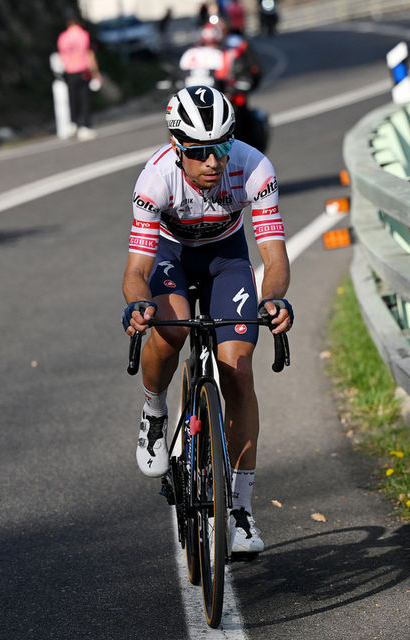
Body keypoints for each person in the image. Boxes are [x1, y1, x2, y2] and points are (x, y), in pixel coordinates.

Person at [122, 85, 293, 555]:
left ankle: (239, 510)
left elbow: (274, 259)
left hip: (226, 258)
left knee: (237, 367)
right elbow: (136, 271)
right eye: (199, 152)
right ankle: (155, 412)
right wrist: (140, 306)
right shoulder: (154, 180)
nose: (213, 162)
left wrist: (274, 300)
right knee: (171, 329)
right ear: (178, 149)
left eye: (221, 147)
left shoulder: (254, 167)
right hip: (172, 256)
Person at [57, 16, 101, 141]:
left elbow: (61, 55)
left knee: (72, 99)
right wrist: (96, 73)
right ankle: (85, 126)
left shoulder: (63, 37)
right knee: (85, 99)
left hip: (69, 71)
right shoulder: (83, 35)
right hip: (83, 70)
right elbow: (89, 54)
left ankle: (73, 124)